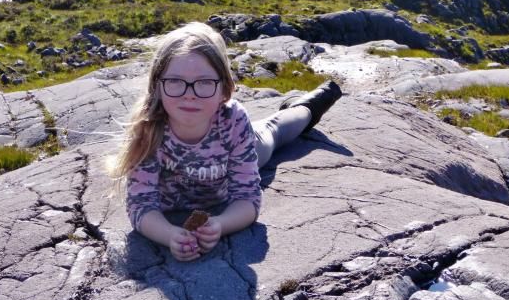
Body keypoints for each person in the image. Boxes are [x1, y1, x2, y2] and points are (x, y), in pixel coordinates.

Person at [107, 22, 342, 262]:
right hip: (225, 156)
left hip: (246, 149)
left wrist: (220, 224)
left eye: (205, 82)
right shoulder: (147, 129)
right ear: (157, 86)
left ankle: (309, 104)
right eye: (175, 81)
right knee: (268, 130)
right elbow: (140, 205)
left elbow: (248, 199)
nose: (190, 93)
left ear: (225, 90)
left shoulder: (233, 120)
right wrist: (169, 235)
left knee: (274, 131)